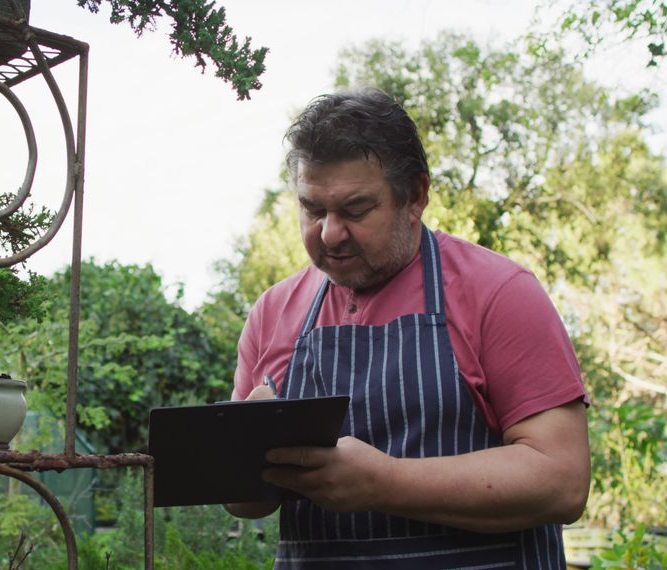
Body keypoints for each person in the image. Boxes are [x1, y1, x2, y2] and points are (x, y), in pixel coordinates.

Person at [224, 88, 590, 568]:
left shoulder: (499, 292)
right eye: (313, 210)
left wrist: (384, 482)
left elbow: (561, 481)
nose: (330, 233)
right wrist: (244, 456)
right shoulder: (273, 312)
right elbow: (245, 502)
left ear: (415, 196)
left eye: (356, 210)